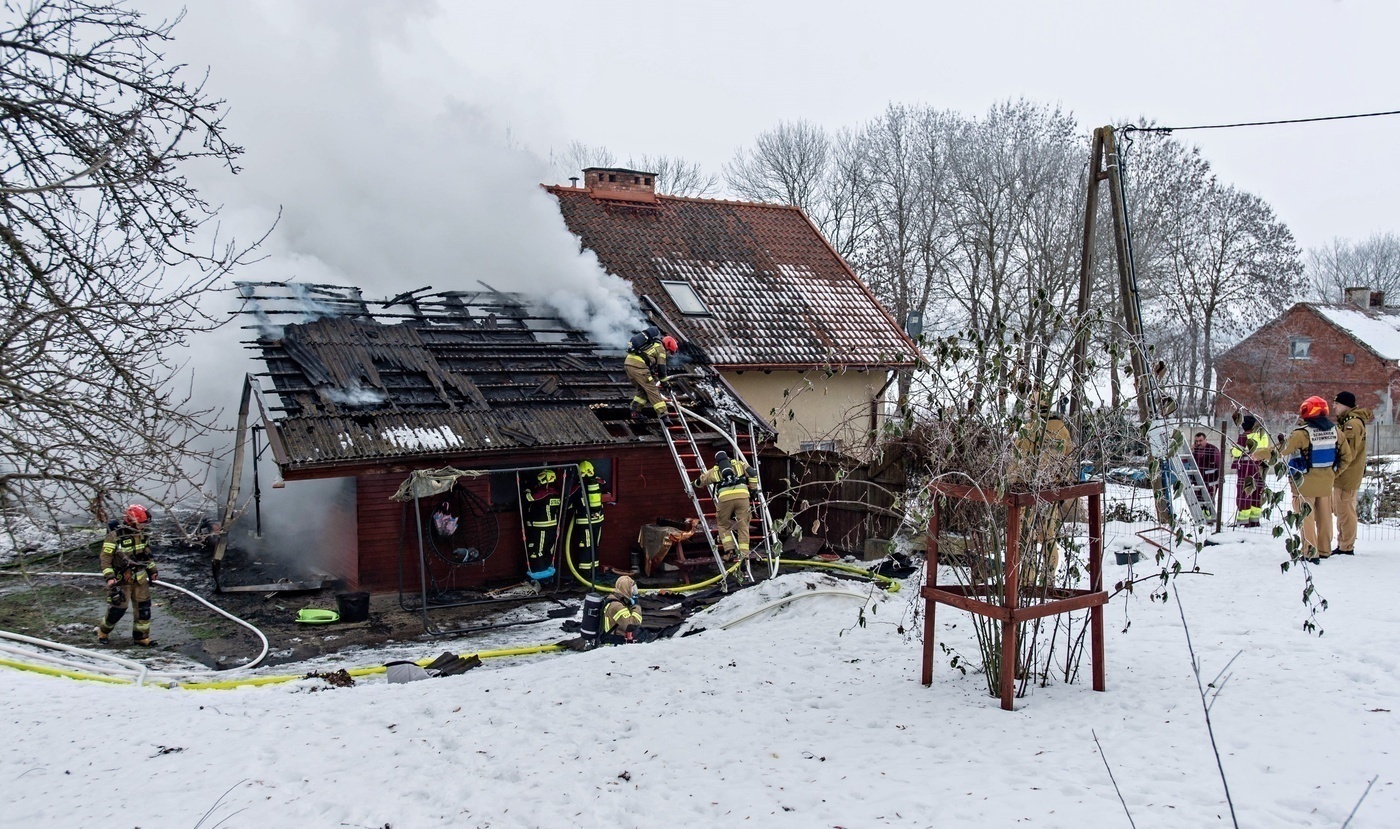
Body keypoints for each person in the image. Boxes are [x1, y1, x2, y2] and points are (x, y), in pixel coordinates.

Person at [1259, 396, 1348, 564]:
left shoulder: (1302, 433)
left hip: (1304, 483)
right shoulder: (1336, 431)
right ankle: (1324, 550)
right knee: (1325, 518)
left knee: (1306, 518)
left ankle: (1310, 552)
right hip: (1326, 483)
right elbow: (1347, 457)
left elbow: (1280, 451)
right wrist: (1333, 474)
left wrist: (1257, 453)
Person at [1012, 397, 1075, 584]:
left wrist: (1013, 484)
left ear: (1033, 408)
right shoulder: (1062, 431)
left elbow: (1017, 462)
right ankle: (1049, 577)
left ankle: (1027, 579)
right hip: (1053, 492)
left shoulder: (1029, 430)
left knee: (1028, 537)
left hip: (1030, 493)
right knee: (1049, 536)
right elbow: (1068, 461)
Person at [97, 504, 158, 646]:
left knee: (144, 609)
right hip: (121, 580)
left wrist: (153, 570)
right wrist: (110, 577)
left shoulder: (143, 534)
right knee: (117, 610)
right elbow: (105, 558)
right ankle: (103, 632)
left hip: (140, 578)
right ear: (132, 521)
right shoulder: (114, 536)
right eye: (141, 523)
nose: (144, 526)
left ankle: (141, 638)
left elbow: (146, 554)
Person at [694, 450, 759, 560]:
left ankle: (729, 552)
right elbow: (752, 473)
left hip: (725, 500)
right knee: (743, 525)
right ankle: (744, 554)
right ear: (728, 458)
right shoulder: (740, 464)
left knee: (723, 525)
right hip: (742, 498)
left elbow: (700, 482)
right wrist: (753, 490)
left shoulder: (714, 471)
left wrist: (693, 484)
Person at [1332, 391, 1372, 556]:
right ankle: (1343, 543)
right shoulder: (1348, 421)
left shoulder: (1352, 424)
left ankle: (1346, 546)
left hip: (1346, 475)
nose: (1333, 406)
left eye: (1337, 403)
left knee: (1346, 511)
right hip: (1345, 474)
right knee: (1342, 510)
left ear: (1345, 405)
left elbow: (1348, 453)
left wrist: (1336, 471)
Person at [623, 326, 678, 419]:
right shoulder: (661, 350)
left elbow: (647, 358)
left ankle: (635, 411)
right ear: (668, 347)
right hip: (638, 366)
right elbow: (662, 370)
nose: (669, 355)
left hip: (628, 364)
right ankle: (664, 414)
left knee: (643, 389)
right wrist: (665, 384)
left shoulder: (652, 344)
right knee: (653, 390)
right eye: (670, 352)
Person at [1229, 415, 1270, 527]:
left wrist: (1232, 450)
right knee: (1257, 492)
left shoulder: (1244, 436)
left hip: (1247, 467)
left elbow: (1237, 452)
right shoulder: (1263, 436)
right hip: (1260, 466)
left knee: (1245, 491)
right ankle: (1254, 520)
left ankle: (1243, 521)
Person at [567, 461, 608, 574]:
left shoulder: (577, 487)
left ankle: (585, 576)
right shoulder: (598, 483)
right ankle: (595, 572)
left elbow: (567, 500)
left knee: (585, 547)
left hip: (584, 522)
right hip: (598, 520)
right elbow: (604, 483)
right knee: (595, 546)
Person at [521, 469, 561, 581]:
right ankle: (547, 575)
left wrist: (527, 488)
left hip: (541, 528)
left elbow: (527, 498)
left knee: (538, 551)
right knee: (548, 551)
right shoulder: (556, 493)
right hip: (552, 527)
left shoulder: (544, 493)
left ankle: (540, 576)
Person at [602, 575, 642, 644]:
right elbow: (631, 625)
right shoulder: (617, 606)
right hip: (613, 646)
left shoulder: (613, 599)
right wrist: (636, 606)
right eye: (632, 589)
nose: (634, 592)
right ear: (626, 589)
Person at [1191, 432, 1222, 501]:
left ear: (1205, 440)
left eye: (1200, 441)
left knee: (1209, 502)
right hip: (1198, 481)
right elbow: (1185, 462)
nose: (1198, 443)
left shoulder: (1213, 449)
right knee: (1199, 502)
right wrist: (1190, 452)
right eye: (1196, 441)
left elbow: (1219, 465)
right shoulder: (1195, 450)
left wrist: (1219, 479)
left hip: (1210, 482)